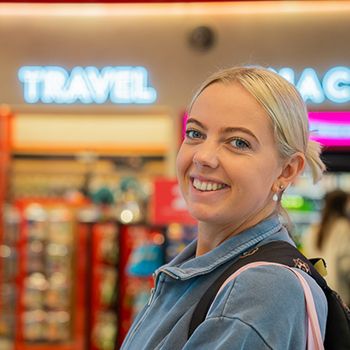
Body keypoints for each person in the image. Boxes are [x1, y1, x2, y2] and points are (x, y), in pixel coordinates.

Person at [121, 66, 328, 349]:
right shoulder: (196, 271)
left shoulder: (261, 289)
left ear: (287, 171)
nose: (204, 156)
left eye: (238, 142)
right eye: (195, 133)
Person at [303, 189, 350, 306]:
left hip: (316, 291)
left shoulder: (313, 229)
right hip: (339, 293)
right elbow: (346, 265)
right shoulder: (344, 228)